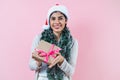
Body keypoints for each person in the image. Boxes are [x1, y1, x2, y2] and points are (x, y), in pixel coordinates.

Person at [29, 4, 78, 80]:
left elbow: (71, 71)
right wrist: (38, 61)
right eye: (53, 19)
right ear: (49, 21)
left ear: (66, 21)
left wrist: (62, 61)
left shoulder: (72, 42)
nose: (57, 22)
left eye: (60, 18)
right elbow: (31, 66)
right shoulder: (39, 38)